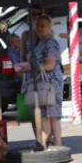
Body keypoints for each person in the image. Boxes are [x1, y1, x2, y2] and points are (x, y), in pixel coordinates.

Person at [23, 14, 65, 150]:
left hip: (50, 83)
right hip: (41, 83)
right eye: (38, 26)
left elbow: (49, 65)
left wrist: (29, 67)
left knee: (51, 114)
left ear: (49, 28)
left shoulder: (51, 43)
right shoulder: (37, 42)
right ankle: (46, 143)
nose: (40, 28)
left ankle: (49, 143)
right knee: (47, 115)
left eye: (43, 26)